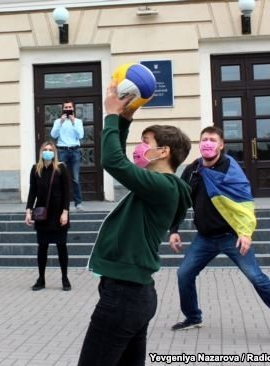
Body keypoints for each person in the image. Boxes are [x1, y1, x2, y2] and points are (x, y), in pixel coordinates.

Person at [77, 84, 192, 366]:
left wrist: (111, 117)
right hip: (133, 295)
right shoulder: (160, 187)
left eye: (146, 143)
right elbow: (120, 162)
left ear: (163, 152)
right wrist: (125, 119)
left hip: (124, 297)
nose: (140, 149)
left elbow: (113, 162)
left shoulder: (162, 186)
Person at [169, 125, 270, 346]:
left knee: (257, 278)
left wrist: (245, 233)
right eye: (204, 140)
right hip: (205, 238)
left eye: (212, 140)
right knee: (184, 274)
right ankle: (193, 317)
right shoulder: (192, 170)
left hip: (232, 236)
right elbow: (181, 202)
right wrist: (174, 230)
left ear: (221, 145)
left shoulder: (230, 170)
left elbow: (244, 205)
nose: (207, 143)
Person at [25, 141, 72, 291]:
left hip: (58, 214)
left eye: (50, 150)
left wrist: (65, 212)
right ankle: (41, 279)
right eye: (45, 149)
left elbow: (67, 192)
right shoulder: (35, 169)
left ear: (54, 152)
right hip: (42, 214)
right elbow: (32, 192)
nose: (47, 152)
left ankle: (65, 278)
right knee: (42, 247)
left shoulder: (61, 168)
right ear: (41, 152)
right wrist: (28, 211)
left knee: (61, 247)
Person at [50, 100, 85, 211]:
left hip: (74, 151)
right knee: (60, 178)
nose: (68, 108)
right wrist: (61, 122)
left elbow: (81, 135)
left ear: (73, 108)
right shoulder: (58, 121)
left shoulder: (78, 121)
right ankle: (60, 202)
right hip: (62, 151)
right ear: (63, 109)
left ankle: (78, 203)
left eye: (70, 107)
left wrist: (73, 122)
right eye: (66, 107)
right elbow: (53, 135)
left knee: (75, 178)